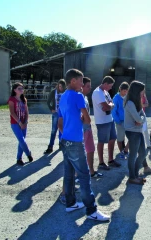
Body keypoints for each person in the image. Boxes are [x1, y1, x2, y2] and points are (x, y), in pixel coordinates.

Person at [58, 69, 109, 221]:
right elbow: (87, 120)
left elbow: (60, 122)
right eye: (80, 81)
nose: (82, 84)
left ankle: (71, 203)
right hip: (75, 141)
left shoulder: (63, 96)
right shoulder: (78, 95)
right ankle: (92, 211)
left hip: (64, 139)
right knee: (84, 176)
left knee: (68, 174)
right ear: (73, 81)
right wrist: (81, 118)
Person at [92, 76, 121, 170]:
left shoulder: (105, 92)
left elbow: (111, 104)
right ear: (105, 84)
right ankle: (101, 162)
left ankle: (110, 160)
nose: (111, 88)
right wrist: (109, 105)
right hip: (102, 121)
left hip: (109, 119)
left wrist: (109, 105)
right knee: (101, 141)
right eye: (110, 86)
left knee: (112, 139)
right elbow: (107, 106)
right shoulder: (97, 93)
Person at [124, 80, 148, 185]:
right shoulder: (129, 102)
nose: (143, 93)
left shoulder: (137, 100)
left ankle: (135, 174)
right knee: (133, 155)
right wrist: (140, 120)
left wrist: (141, 120)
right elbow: (139, 119)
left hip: (138, 131)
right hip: (132, 132)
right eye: (142, 91)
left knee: (143, 153)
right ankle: (132, 177)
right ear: (136, 91)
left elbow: (142, 116)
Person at [8, 82, 33, 166]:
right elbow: (12, 112)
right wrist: (19, 122)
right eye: (19, 88)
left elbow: (26, 112)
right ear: (14, 90)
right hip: (15, 123)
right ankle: (28, 154)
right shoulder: (12, 99)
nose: (21, 90)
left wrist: (25, 122)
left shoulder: (24, 99)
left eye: (22, 88)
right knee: (21, 140)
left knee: (21, 142)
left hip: (23, 123)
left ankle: (19, 158)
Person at [82, 77, 103, 178]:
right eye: (87, 86)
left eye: (90, 86)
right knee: (80, 153)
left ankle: (91, 171)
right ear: (81, 86)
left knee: (90, 149)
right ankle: (78, 176)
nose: (89, 89)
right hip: (82, 130)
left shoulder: (85, 98)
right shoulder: (79, 97)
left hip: (88, 127)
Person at [44, 79, 66, 154]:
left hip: (63, 114)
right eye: (59, 86)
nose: (61, 88)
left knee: (62, 130)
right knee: (54, 130)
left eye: (62, 86)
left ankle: (61, 144)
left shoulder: (66, 93)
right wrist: (51, 109)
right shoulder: (54, 92)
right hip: (56, 113)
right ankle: (50, 146)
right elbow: (48, 101)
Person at [112, 82, 129, 159]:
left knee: (128, 136)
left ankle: (125, 150)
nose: (125, 92)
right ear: (120, 89)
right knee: (120, 137)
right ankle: (121, 151)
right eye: (124, 91)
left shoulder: (127, 97)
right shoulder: (116, 98)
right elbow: (113, 111)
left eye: (126, 91)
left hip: (127, 120)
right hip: (120, 121)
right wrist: (118, 121)